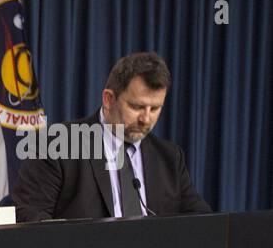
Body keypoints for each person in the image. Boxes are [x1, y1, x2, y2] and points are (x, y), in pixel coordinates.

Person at [13, 51, 210, 220]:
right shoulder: (56, 145)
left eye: (155, 108)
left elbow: (201, 221)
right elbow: (30, 219)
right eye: (137, 106)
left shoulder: (169, 157)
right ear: (108, 99)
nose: (146, 119)